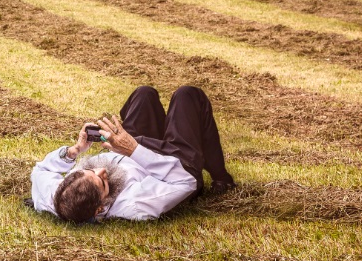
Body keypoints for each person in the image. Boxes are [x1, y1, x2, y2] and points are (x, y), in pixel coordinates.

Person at [30, 85, 236, 223]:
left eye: (88, 171)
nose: (101, 170)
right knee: (187, 95)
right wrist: (133, 149)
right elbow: (185, 182)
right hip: (175, 167)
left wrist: (75, 151)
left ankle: (153, 132)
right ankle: (221, 177)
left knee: (143, 94)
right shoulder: (135, 204)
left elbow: (41, 170)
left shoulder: (55, 198)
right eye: (102, 182)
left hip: (129, 150)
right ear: (99, 209)